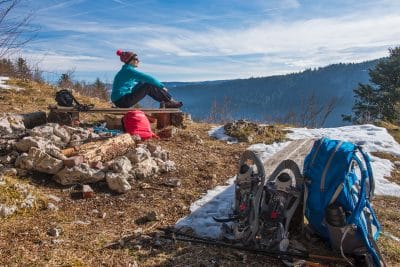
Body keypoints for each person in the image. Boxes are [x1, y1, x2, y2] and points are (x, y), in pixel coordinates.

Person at [111, 50, 183, 108]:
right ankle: (169, 101)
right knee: (148, 85)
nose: (138, 61)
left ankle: (167, 101)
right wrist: (161, 86)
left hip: (120, 100)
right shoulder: (129, 71)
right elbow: (148, 78)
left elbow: (143, 80)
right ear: (130, 61)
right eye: (136, 59)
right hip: (123, 101)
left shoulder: (126, 71)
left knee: (144, 83)